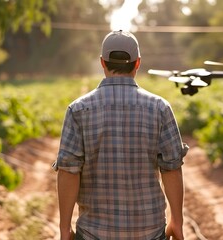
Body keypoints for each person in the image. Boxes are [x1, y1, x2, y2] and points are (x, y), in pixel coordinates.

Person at [53, 30, 188, 240]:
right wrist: (177, 222)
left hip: (94, 233)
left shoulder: (78, 109)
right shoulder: (160, 108)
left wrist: (64, 230)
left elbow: (69, 171)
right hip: (149, 232)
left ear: (102, 63)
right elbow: (171, 169)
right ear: (137, 63)